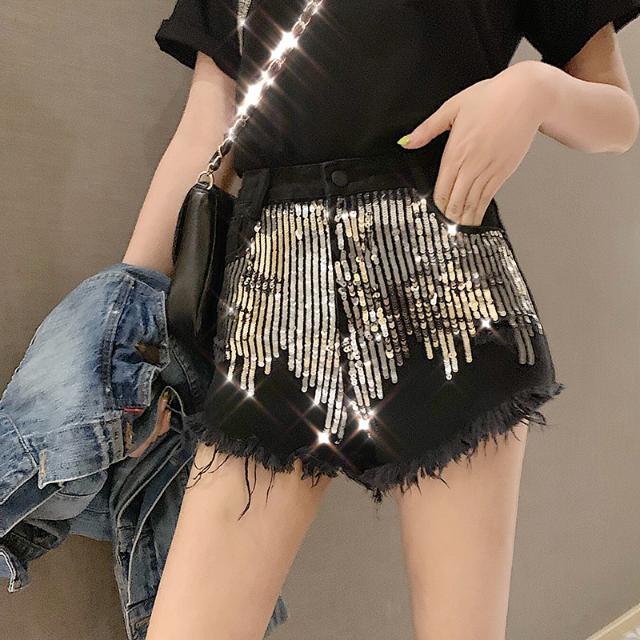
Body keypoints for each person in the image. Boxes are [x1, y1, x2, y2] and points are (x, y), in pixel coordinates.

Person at [122, 1, 640, 638]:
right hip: (274, 309)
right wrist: (125, 319)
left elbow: (618, 115)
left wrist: (536, 89)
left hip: (445, 304)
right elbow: (207, 126)